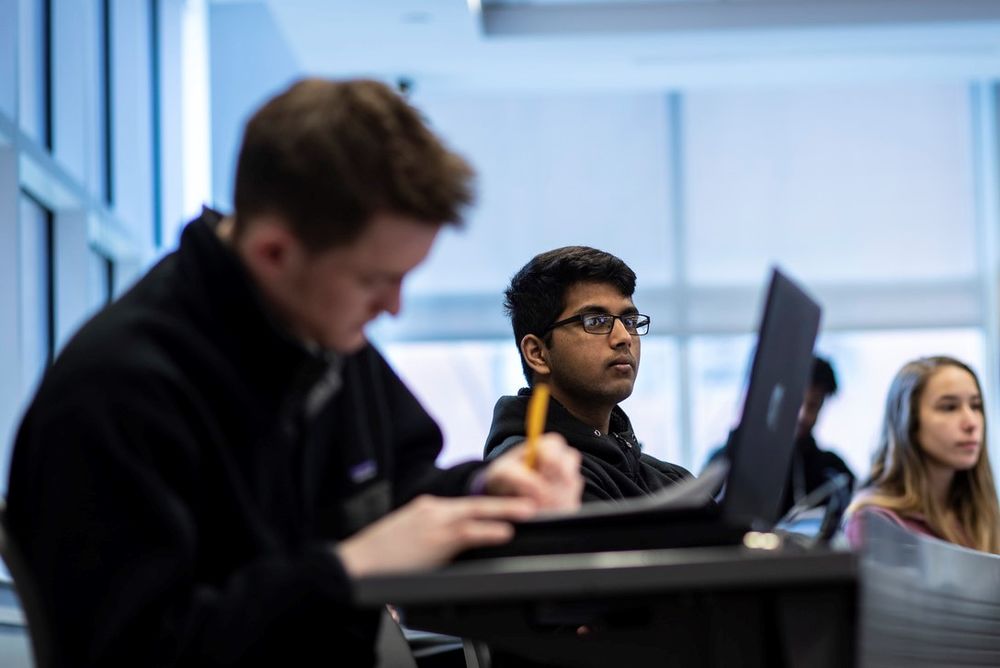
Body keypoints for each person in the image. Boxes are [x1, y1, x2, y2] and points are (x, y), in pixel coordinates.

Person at [5, 78, 583, 667]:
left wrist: (486, 491)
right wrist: (347, 570)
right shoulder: (116, 393)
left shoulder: (318, 332)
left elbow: (397, 491)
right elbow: (134, 649)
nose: (393, 307)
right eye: (373, 280)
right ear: (273, 253)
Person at [484, 246, 691, 502]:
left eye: (629, 321)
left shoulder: (671, 479)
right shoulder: (533, 475)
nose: (624, 337)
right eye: (595, 321)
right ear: (537, 353)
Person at [843, 356, 1000, 553]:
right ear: (909, 422)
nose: (971, 423)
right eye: (949, 407)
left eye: (975, 406)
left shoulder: (981, 515)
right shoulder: (877, 522)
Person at [704, 355, 855, 517]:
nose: (803, 415)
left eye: (813, 405)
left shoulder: (833, 472)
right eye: (797, 402)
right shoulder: (727, 460)